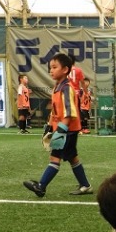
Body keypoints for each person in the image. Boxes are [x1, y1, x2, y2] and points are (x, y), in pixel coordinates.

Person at [23, 53, 93, 198]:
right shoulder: (58, 86)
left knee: (55, 158)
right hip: (65, 129)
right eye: (50, 68)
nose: (51, 70)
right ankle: (85, 185)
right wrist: (49, 127)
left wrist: (60, 131)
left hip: (67, 130)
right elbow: (56, 111)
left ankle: (41, 186)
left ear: (65, 69)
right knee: (72, 157)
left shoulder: (66, 88)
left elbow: (69, 113)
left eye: (55, 67)